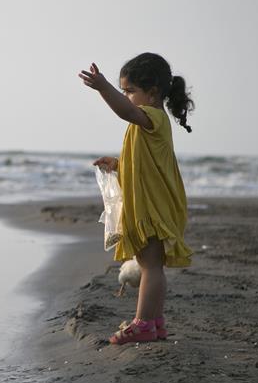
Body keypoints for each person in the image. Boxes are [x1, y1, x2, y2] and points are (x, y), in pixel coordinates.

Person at [78, 52, 194, 344]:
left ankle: (143, 323)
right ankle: (154, 323)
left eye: (129, 91)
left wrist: (104, 87)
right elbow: (141, 163)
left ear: (152, 93)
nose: (126, 96)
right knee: (149, 264)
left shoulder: (152, 117)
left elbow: (125, 112)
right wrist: (117, 165)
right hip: (152, 203)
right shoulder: (146, 123)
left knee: (150, 266)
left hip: (155, 206)